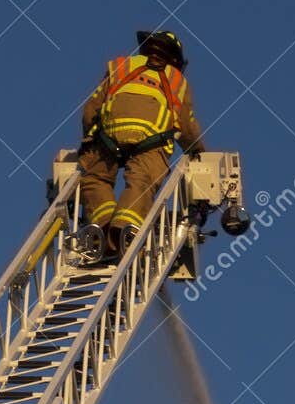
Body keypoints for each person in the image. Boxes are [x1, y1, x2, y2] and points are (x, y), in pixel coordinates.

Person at [78, 30, 206, 257]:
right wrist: (197, 151)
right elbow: (187, 125)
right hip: (150, 141)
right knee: (142, 182)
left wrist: (91, 138)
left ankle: (103, 227)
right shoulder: (177, 80)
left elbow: (91, 109)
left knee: (94, 179)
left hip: (108, 138)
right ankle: (123, 232)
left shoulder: (121, 66)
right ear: (175, 59)